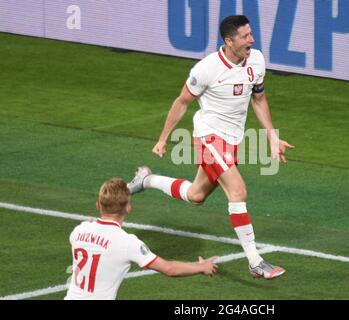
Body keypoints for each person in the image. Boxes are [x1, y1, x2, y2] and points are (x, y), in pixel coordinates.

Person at [128, 15, 293, 279]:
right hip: (209, 136)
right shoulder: (206, 69)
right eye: (245, 36)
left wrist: (272, 137)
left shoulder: (257, 60)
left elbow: (259, 100)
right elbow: (182, 101)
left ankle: (146, 180)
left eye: (251, 34)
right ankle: (255, 261)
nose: (252, 39)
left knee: (196, 195)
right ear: (229, 41)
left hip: (233, 140)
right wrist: (163, 138)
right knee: (237, 192)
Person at [65, 178, 218, 300]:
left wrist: (89, 225)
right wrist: (201, 267)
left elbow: (84, 239)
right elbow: (169, 269)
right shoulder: (127, 243)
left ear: (98, 205)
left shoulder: (79, 231)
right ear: (128, 208)